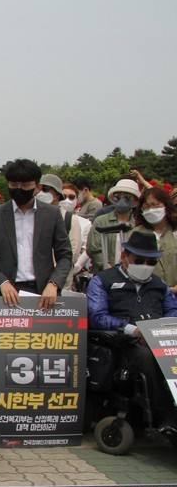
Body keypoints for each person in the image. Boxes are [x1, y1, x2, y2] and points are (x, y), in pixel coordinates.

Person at [87, 230, 177, 433]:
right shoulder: (103, 281)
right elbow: (97, 316)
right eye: (139, 260)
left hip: (160, 337)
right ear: (124, 256)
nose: (145, 266)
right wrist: (134, 331)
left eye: (150, 262)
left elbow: (173, 309)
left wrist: (161, 328)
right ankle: (167, 416)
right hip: (126, 341)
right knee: (147, 357)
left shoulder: (159, 285)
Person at [0, 159, 73, 310]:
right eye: (14, 185)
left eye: (25, 185)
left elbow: (65, 255)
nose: (19, 189)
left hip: (44, 294)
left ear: (37, 187)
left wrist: (54, 284)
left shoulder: (52, 215)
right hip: (7, 294)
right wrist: (2, 283)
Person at [36, 176, 92, 291]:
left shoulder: (69, 219)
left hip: (60, 282)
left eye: (46, 189)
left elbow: (71, 253)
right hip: (35, 280)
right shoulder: (32, 216)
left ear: (56, 194)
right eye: (40, 188)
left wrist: (54, 280)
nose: (41, 192)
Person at [86, 179, 140, 271]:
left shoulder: (137, 226)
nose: (121, 200)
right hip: (104, 274)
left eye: (127, 197)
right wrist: (107, 268)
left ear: (135, 201)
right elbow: (93, 249)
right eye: (117, 196)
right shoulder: (101, 221)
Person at [133, 186, 177, 293]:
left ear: (165, 205)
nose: (150, 210)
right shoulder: (136, 233)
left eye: (155, 205)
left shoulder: (174, 232)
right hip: (147, 294)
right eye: (146, 207)